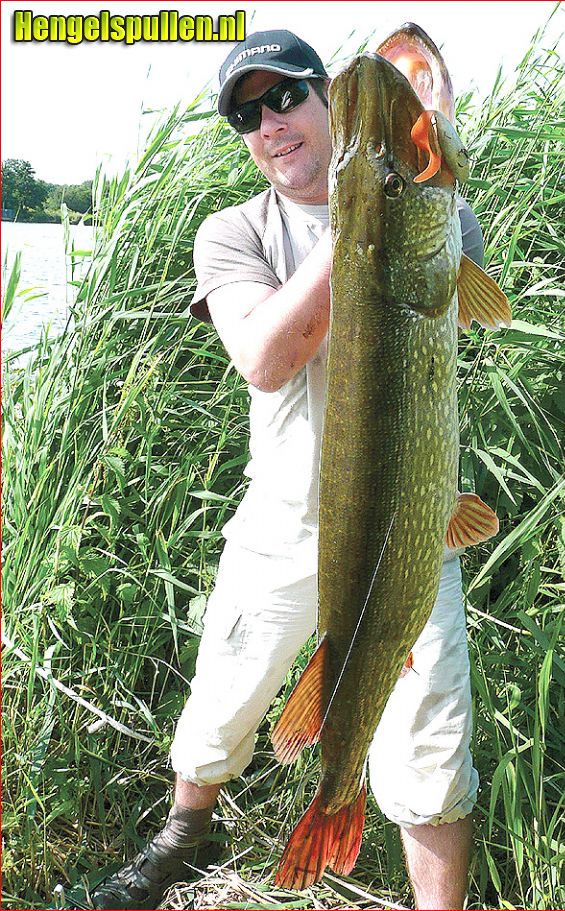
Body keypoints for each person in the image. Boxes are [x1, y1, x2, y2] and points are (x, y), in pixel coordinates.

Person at [84, 29, 485, 911]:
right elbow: (266, 357)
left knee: (430, 737)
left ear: (326, 102)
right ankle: (183, 837)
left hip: (408, 530)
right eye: (246, 112)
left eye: (286, 97)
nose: (269, 123)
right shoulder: (233, 232)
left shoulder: (432, 209)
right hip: (282, 527)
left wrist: (418, 183)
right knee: (223, 704)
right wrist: (363, 221)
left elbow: (467, 314)